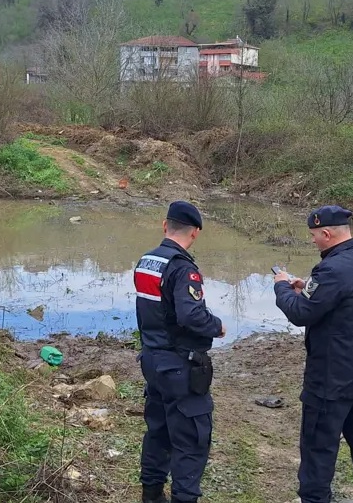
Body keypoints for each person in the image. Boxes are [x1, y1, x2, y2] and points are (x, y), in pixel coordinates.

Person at [272, 205, 353, 503]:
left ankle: (314, 498)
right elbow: (345, 299)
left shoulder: (332, 269)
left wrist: (282, 287)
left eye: (314, 235)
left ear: (326, 234)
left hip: (332, 379)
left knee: (318, 447)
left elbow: (301, 313)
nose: (312, 240)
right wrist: (308, 288)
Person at [133, 201, 226, 503]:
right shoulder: (183, 268)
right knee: (191, 440)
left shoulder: (147, 260)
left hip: (152, 360)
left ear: (165, 225)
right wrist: (217, 326)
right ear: (195, 232)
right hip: (179, 365)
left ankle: (151, 495)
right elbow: (190, 315)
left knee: (158, 431)